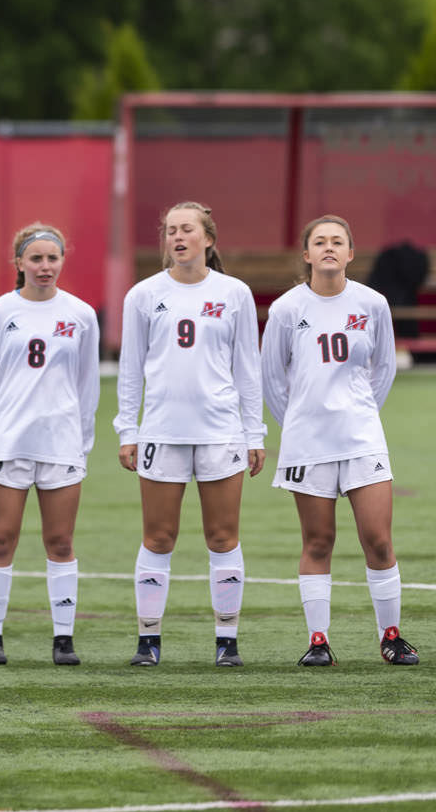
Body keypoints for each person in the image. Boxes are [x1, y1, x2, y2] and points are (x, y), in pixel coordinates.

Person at [114, 200, 265, 668]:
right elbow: (130, 370)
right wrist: (128, 428)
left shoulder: (234, 292)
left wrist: (253, 432)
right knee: (158, 537)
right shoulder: (143, 294)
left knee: (222, 537)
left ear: (208, 239)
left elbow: (247, 369)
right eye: (171, 230)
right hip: (162, 431)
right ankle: (148, 641)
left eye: (187, 230)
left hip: (221, 431)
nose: (178, 237)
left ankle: (227, 641)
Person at [262, 215, 416, 666]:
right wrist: (299, 422)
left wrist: (359, 413)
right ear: (306, 254)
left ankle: (390, 636)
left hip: (361, 438)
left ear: (350, 253)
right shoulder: (288, 309)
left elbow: (383, 369)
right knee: (318, 542)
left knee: (379, 541)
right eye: (320, 242)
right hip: (307, 443)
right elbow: (272, 378)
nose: (329, 248)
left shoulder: (373, 304)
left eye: (338, 242)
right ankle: (318, 641)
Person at [0, 224, 99, 667]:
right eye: (36, 259)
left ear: (62, 261)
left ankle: (63, 639)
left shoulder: (80, 314)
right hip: (8, 442)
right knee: (1, 539)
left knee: (60, 541)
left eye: (52, 258)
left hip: (60, 444)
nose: (45, 266)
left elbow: (87, 385)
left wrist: (81, 443)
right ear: (19, 262)